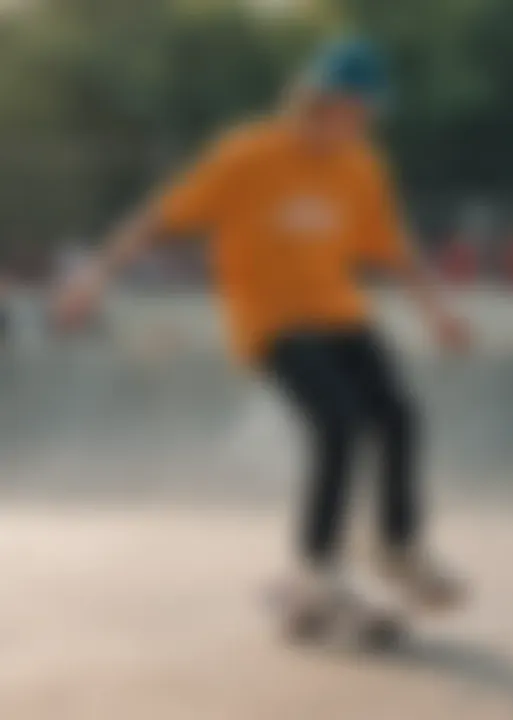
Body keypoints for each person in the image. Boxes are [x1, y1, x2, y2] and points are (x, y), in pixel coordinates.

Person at [53, 38, 473, 625]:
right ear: (320, 101)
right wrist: (95, 275)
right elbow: (160, 217)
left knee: (400, 416)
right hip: (272, 324)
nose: (362, 125)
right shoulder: (247, 155)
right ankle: (315, 570)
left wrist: (437, 311)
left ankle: (398, 547)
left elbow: (395, 250)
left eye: (369, 115)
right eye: (355, 112)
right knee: (340, 423)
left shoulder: (363, 167)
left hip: (341, 315)